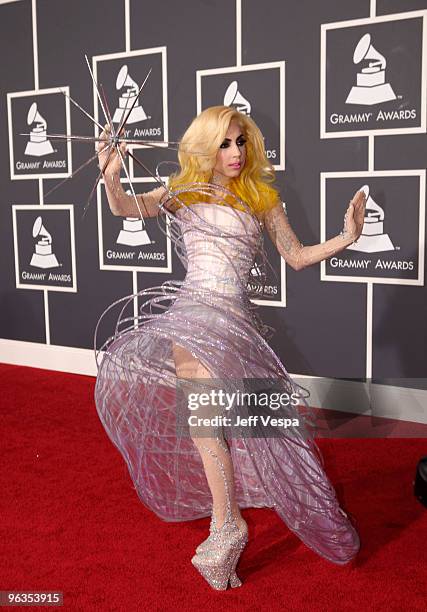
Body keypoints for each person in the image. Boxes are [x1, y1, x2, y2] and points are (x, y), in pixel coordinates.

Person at [94, 105, 366, 591]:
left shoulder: (262, 198)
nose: (236, 152)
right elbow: (123, 209)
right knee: (205, 423)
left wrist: (347, 236)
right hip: (191, 312)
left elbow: (297, 257)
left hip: (233, 319)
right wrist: (111, 176)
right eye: (224, 143)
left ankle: (230, 525)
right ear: (206, 146)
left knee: (243, 426)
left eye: (241, 142)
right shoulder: (183, 191)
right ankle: (226, 524)